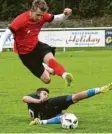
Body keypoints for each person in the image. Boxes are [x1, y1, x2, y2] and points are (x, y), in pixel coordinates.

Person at [0, 0, 73, 86]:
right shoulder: (21, 20)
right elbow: (5, 34)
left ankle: (65, 75)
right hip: (25, 55)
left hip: (37, 46)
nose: (39, 18)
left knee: (51, 60)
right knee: (47, 80)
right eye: (37, 15)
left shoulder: (43, 16)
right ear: (32, 10)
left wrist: (66, 14)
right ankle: (45, 67)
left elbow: (58, 18)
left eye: (41, 15)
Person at [22, 82, 112, 125]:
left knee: (75, 97)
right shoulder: (34, 97)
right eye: (44, 94)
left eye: (47, 94)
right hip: (47, 114)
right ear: (38, 94)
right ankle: (42, 122)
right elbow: (24, 98)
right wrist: (39, 100)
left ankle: (99, 90)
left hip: (52, 106)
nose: (46, 96)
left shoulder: (49, 101)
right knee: (63, 117)